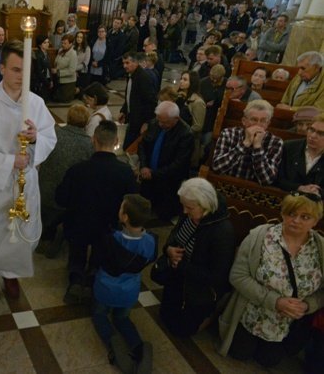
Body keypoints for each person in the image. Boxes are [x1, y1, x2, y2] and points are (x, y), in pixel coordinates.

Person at [0, 40, 56, 300]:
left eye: (25, 71)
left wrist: (37, 138)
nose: (21, 77)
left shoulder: (36, 104)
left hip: (26, 182)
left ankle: (11, 274)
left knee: (20, 231)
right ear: (2, 69)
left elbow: (51, 137)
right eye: (16, 70)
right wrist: (9, 162)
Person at [217, 192, 324, 368]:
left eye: (305, 217)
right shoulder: (260, 237)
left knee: (268, 360)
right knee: (239, 353)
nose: (296, 220)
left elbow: (322, 292)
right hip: (252, 314)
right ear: (283, 214)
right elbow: (237, 275)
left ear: (315, 220)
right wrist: (275, 301)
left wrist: (308, 305)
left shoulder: (320, 248)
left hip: (287, 324)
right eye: (291, 214)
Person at [56, 120, 137, 305]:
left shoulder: (77, 170)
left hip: (77, 225)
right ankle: (92, 278)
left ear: (93, 140)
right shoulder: (125, 172)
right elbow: (131, 201)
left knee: (77, 250)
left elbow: (60, 199)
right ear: (116, 141)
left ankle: (75, 279)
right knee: (101, 248)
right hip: (107, 227)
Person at [157, 177, 236, 337]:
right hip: (180, 277)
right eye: (183, 206)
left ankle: (212, 315)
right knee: (164, 316)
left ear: (205, 206)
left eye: (189, 208)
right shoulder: (190, 214)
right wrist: (168, 250)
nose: (184, 212)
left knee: (181, 332)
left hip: (200, 288)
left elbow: (217, 277)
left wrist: (181, 265)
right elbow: (174, 237)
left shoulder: (222, 231)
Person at [92, 194, 156, 371]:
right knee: (122, 318)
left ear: (125, 217)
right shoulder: (151, 241)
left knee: (100, 315)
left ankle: (114, 344)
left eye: (121, 208)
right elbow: (150, 258)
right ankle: (139, 347)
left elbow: (97, 260)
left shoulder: (110, 239)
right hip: (129, 290)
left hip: (106, 287)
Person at [37, 104, 93, 258]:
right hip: (67, 196)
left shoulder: (54, 134)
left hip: (44, 189)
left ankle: (44, 238)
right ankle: (60, 235)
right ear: (86, 122)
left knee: (45, 217)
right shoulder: (88, 143)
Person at [138, 101, 194, 219]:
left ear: (176, 118)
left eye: (165, 122)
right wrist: (143, 166)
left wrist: (154, 174)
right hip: (148, 175)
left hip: (168, 182)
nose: (160, 124)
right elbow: (142, 145)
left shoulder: (185, 134)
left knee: (164, 214)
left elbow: (179, 164)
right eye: (159, 120)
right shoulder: (155, 124)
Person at [212, 100, 283, 185]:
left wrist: (257, 147)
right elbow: (217, 167)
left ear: (268, 124)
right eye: (254, 119)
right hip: (224, 184)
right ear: (244, 121)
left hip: (254, 192)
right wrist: (245, 144)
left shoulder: (276, 142)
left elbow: (267, 180)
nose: (258, 125)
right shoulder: (228, 133)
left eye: (263, 121)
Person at [276, 113, 324, 193]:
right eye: (311, 129)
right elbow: (277, 179)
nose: (312, 136)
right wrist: (299, 188)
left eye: (321, 133)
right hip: (286, 197)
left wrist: (318, 191)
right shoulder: (288, 147)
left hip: (316, 203)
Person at [119, 51, 157, 149]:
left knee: (132, 148)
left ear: (135, 63)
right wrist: (124, 110)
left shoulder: (144, 78)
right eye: (123, 63)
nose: (124, 66)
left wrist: (146, 122)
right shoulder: (132, 75)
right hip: (133, 119)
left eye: (127, 63)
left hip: (139, 122)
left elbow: (151, 102)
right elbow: (130, 95)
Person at [176, 71, 206, 167]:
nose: (181, 81)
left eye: (185, 80)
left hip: (188, 142)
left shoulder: (198, 102)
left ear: (192, 83)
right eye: (181, 78)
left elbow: (197, 126)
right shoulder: (179, 96)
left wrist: (180, 133)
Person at [52, 34, 78, 103]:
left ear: (71, 44)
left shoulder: (73, 54)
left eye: (65, 43)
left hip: (68, 81)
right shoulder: (61, 50)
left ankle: (77, 91)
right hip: (59, 79)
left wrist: (58, 72)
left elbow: (72, 70)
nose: (63, 45)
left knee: (64, 99)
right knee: (55, 98)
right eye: (62, 43)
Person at [32, 35, 53, 101]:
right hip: (40, 80)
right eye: (45, 43)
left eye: (48, 42)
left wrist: (51, 80)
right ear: (40, 45)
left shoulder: (47, 53)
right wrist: (47, 82)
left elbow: (49, 68)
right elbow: (38, 72)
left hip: (47, 78)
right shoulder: (38, 55)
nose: (47, 44)